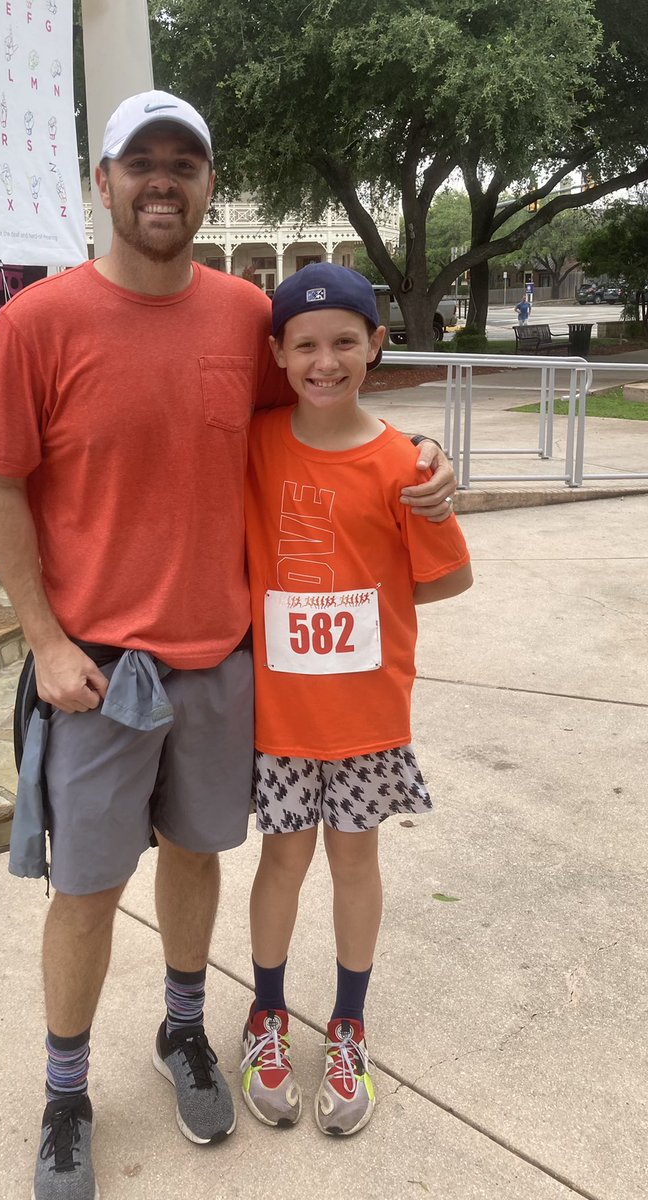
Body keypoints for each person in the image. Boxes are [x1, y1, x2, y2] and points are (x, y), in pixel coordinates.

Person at [0, 91, 457, 1200]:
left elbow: (331, 401)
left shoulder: (241, 315)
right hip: (95, 671)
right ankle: (65, 1094)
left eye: (184, 162)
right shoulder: (39, 322)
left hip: (223, 661)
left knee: (197, 857)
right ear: (104, 183)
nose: (162, 180)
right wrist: (40, 638)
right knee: (84, 890)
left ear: (210, 184)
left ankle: (183, 1031)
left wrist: (423, 459)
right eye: (141, 163)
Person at [239, 263, 472, 1137]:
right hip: (281, 719)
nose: (324, 360)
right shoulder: (255, 441)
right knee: (283, 861)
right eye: (304, 345)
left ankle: (347, 1023)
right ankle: (265, 1014)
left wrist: (389, 562)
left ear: (377, 345)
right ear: (278, 354)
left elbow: (449, 580)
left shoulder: (403, 463)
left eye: (344, 341)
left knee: (354, 864)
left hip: (368, 715)